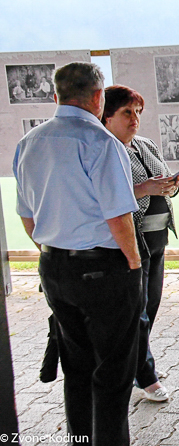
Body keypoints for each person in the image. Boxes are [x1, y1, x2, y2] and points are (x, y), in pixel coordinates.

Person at [13, 62, 142, 445]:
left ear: (56, 95)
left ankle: (80, 440)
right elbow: (119, 217)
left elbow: (27, 217)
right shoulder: (101, 142)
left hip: (54, 266)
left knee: (76, 366)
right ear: (99, 97)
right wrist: (134, 265)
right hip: (104, 268)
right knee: (114, 371)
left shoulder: (30, 142)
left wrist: (54, 252)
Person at [102, 85, 179, 403]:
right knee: (137, 312)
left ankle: (137, 364)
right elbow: (107, 196)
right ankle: (146, 376)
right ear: (107, 116)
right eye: (127, 112)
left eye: (138, 112)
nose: (135, 118)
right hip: (132, 239)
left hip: (158, 237)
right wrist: (145, 188)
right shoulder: (106, 149)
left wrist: (172, 185)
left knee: (150, 305)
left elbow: (164, 183)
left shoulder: (145, 144)